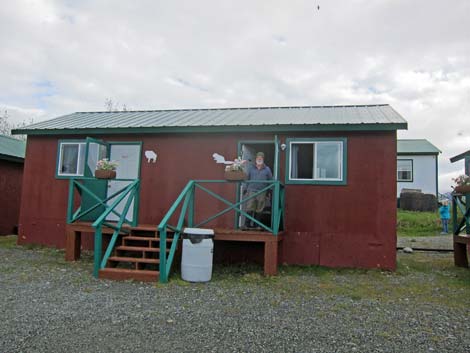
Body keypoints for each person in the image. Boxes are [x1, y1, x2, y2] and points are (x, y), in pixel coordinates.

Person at [243, 152, 273, 230]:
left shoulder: (267, 169)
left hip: (262, 191)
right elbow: (247, 179)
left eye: (261, 158)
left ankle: (257, 225)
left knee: (259, 208)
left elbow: (270, 181)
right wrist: (245, 189)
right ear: (256, 159)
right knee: (249, 207)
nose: (259, 159)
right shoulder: (251, 168)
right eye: (258, 158)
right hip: (251, 190)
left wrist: (269, 191)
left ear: (263, 159)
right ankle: (247, 225)